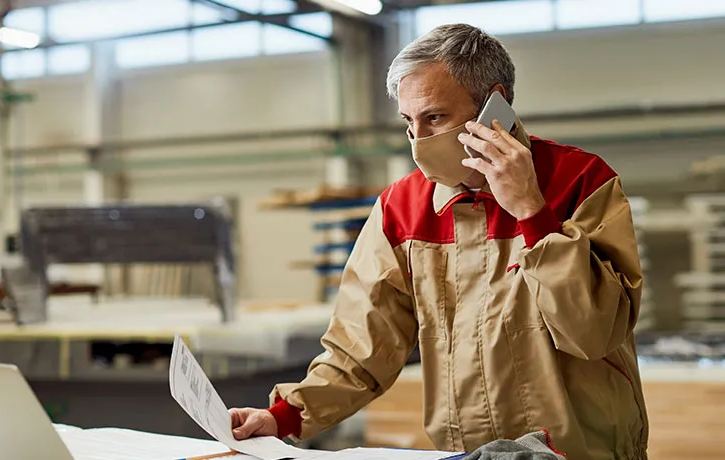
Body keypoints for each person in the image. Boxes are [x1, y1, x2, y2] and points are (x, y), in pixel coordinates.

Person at [230, 23, 648, 460]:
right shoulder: (401, 208)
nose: (419, 142)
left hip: (580, 452)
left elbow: (595, 332)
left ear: (495, 106)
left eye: (434, 118)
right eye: (409, 122)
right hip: (465, 454)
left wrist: (532, 212)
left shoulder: (581, 182)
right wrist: (284, 416)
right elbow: (363, 346)